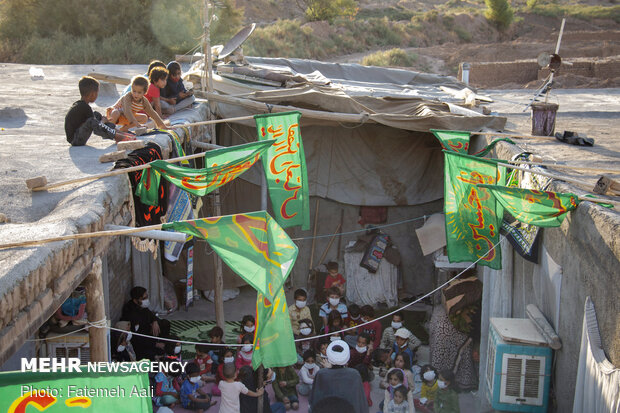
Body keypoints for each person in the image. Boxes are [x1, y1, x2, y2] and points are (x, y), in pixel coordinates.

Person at [64, 76, 133, 146]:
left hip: (78, 135)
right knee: (92, 121)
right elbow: (96, 127)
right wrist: (103, 121)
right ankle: (117, 136)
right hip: (76, 140)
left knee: (96, 115)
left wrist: (104, 121)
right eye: (97, 93)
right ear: (92, 94)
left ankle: (118, 132)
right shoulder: (84, 107)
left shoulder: (81, 105)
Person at [309, 339, 369, 413]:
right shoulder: (354, 374)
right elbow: (361, 404)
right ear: (347, 358)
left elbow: (313, 401)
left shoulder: (322, 373)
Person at [121, 286, 171, 360]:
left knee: (165, 323)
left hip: (148, 331)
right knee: (151, 353)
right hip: (141, 341)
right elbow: (137, 338)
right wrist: (155, 344)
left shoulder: (141, 306)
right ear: (135, 300)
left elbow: (150, 314)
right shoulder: (131, 314)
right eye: (143, 299)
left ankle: (162, 344)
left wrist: (154, 321)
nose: (146, 300)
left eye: (146, 297)